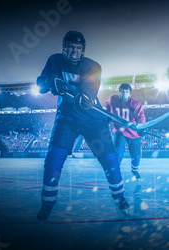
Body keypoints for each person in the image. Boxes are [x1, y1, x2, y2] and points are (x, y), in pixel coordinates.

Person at [35, 31, 129, 221]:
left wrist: (85, 96)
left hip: (93, 119)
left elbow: (90, 88)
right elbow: (41, 83)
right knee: (54, 158)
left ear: (83, 50)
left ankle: (119, 196)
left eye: (78, 48)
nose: (74, 51)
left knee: (109, 160)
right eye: (71, 47)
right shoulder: (54, 61)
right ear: (64, 47)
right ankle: (47, 202)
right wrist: (50, 81)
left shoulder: (93, 66)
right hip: (67, 118)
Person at [105, 83, 145, 180]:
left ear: (130, 93)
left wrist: (141, 128)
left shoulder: (136, 104)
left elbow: (141, 117)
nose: (124, 94)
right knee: (117, 154)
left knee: (136, 157)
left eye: (127, 92)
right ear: (119, 92)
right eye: (122, 92)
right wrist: (107, 116)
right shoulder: (113, 99)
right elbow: (107, 108)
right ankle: (115, 174)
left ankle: (134, 170)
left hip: (134, 134)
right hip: (120, 132)